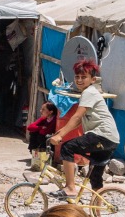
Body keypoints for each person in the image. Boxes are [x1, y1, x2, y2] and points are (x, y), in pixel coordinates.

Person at [50, 59, 120, 197]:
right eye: (77, 77)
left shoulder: (89, 92)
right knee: (95, 178)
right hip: (111, 139)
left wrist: (60, 137)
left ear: (93, 79)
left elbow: (76, 116)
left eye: (84, 77)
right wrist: (60, 132)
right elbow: (78, 122)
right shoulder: (88, 93)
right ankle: (97, 215)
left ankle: (70, 188)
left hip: (102, 135)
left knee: (67, 148)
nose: (80, 80)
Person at [24, 101, 60, 171]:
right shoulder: (44, 119)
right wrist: (40, 127)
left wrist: (41, 129)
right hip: (43, 137)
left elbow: (45, 131)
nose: (41, 111)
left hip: (51, 140)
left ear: (50, 112)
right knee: (33, 133)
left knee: (44, 136)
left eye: (43, 109)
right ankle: (34, 152)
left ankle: (46, 156)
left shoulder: (55, 120)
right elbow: (30, 127)